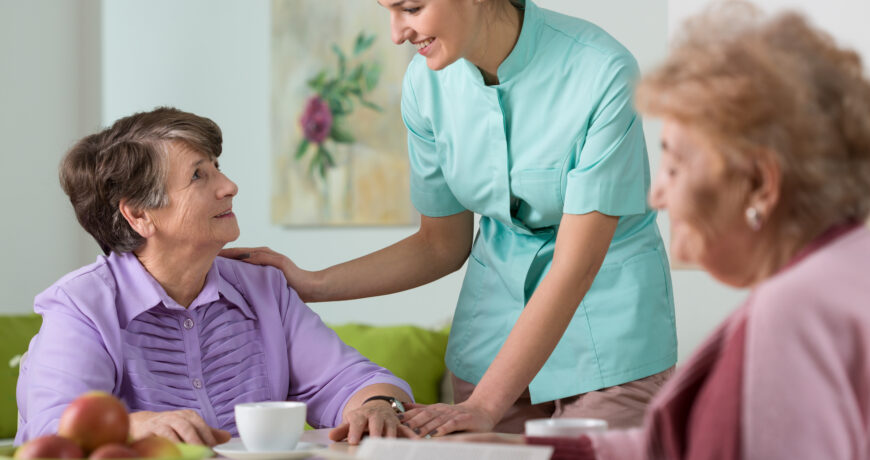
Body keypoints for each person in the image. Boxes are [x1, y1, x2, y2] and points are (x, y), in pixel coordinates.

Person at [223, 0, 677, 435]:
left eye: (412, 8)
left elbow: (575, 265)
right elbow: (440, 244)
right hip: (491, 331)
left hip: (608, 333)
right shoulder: (425, 84)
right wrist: (312, 284)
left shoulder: (602, 71)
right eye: (388, 12)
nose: (397, 33)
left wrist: (485, 405)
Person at [448, 2, 870, 458]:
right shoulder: (845, 267)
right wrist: (545, 452)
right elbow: (678, 444)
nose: (656, 196)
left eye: (673, 162)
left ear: (760, 183)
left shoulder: (792, 312)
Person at [15, 107, 415, 447]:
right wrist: (133, 426)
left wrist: (378, 406)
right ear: (139, 214)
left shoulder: (263, 288)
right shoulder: (81, 306)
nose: (229, 187)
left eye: (217, 168)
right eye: (198, 176)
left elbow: (348, 380)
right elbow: (54, 433)